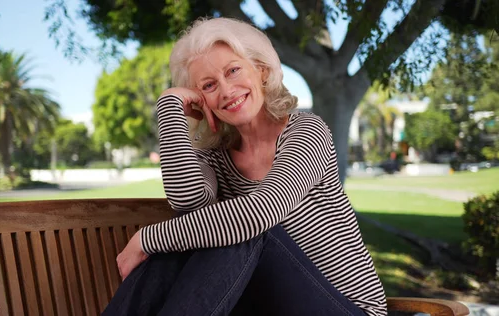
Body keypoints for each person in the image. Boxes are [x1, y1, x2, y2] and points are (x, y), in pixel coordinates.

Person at [103, 17, 387, 316]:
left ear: (261, 70)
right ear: (202, 101)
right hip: (267, 306)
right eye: (209, 85)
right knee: (201, 236)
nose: (226, 90)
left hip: (349, 309)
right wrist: (169, 106)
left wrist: (148, 239)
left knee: (248, 227)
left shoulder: (307, 131)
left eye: (233, 70)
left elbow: (260, 211)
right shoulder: (216, 156)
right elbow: (188, 203)